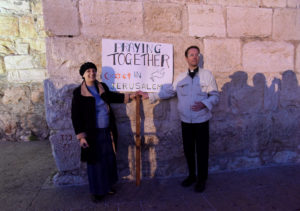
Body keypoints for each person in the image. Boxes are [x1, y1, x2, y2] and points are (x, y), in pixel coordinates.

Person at [138, 46, 219, 192]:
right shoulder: (181, 77)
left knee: (202, 151)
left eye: (196, 55)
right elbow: (169, 91)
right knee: (188, 150)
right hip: (186, 121)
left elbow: (215, 96)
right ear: (186, 58)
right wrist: (150, 95)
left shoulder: (207, 75)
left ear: (199, 58)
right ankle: (192, 176)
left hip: (202, 120)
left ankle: (202, 179)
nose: (194, 57)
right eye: (191, 55)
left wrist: (205, 103)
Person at [71, 62, 135, 202]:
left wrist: (131, 96)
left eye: (93, 71)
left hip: (107, 130)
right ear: (83, 74)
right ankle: (97, 191)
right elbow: (76, 116)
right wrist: (81, 137)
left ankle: (108, 186)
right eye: (88, 71)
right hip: (92, 134)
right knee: (95, 162)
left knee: (108, 159)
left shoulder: (102, 87)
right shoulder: (79, 92)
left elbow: (113, 97)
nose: (92, 73)